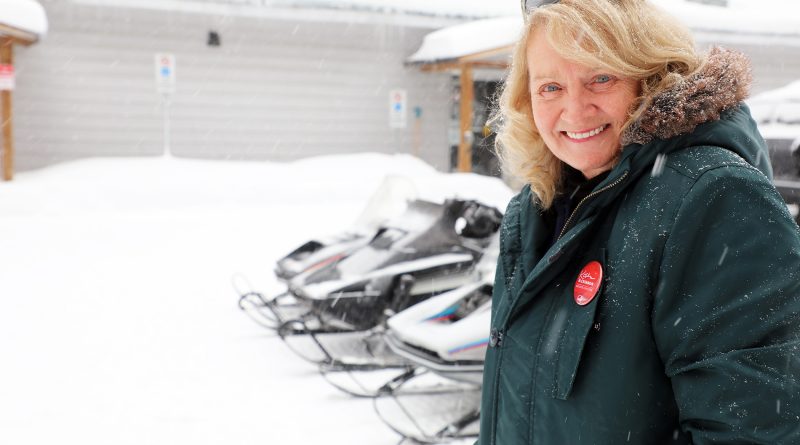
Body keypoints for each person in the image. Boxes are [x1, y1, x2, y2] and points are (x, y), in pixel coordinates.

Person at [477, 0, 800, 443]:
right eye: (550, 87)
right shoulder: (535, 211)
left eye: (601, 78)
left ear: (651, 77)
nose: (575, 109)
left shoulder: (710, 196)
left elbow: (751, 430)